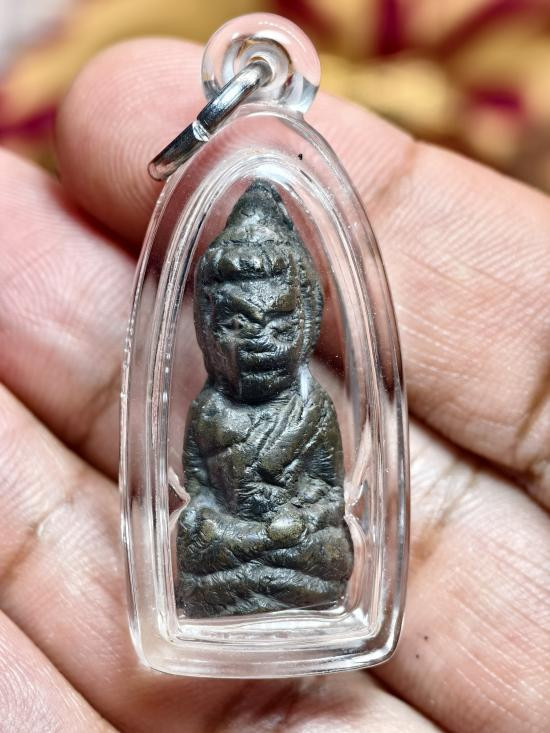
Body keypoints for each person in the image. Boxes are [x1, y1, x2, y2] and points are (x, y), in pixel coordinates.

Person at [0, 37, 548, 733]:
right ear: (206, 330)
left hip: (296, 541)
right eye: (236, 322)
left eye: (278, 320)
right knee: (191, 538)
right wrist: (219, 522)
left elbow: (328, 492)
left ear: (309, 321)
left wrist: (297, 518)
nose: (258, 340)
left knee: (330, 545)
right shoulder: (209, 412)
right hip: (231, 545)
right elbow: (198, 492)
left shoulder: (313, 408)